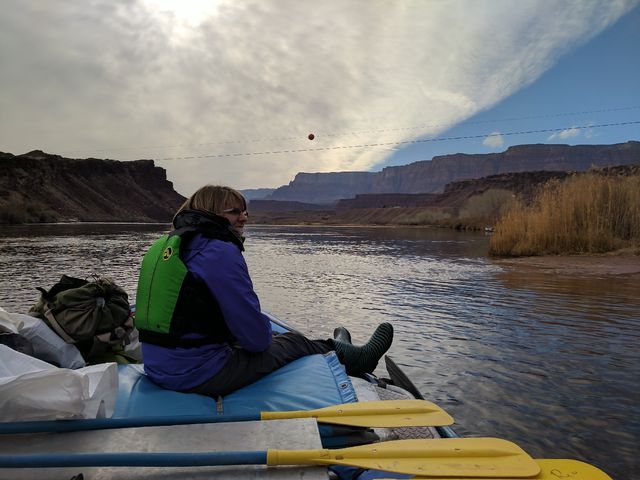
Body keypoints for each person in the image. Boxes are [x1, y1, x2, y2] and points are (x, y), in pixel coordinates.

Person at [135, 185, 393, 397]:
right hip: (198, 374)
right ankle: (359, 358)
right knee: (293, 341)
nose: (244, 217)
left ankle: (340, 345)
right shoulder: (219, 251)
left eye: (245, 211)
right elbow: (257, 341)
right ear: (212, 212)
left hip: (158, 367)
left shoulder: (166, 246)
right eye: (235, 211)